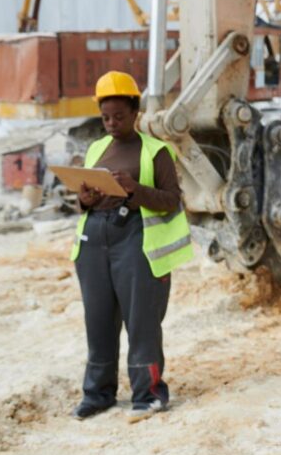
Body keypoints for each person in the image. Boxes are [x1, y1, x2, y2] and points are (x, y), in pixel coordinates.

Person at [68, 71, 193, 423]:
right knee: (98, 321)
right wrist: (85, 199)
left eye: (118, 116)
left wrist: (134, 189)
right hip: (94, 241)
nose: (111, 123)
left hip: (135, 241)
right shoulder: (95, 148)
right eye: (105, 117)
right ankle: (98, 394)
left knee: (141, 322)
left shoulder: (156, 151)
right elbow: (83, 200)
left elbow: (171, 200)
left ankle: (148, 394)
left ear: (135, 111)